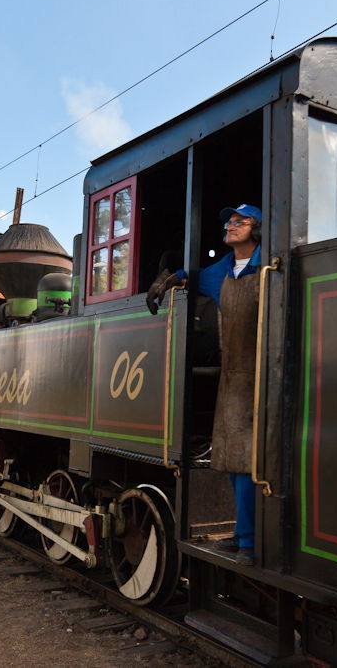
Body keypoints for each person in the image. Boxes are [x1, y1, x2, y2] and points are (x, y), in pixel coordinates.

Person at [148, 203, 263, 566]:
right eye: (228, 221)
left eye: (238, 221)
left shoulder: (269, 266)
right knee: (230, 459)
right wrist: (169, 278)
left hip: (262, 373)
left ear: (256, 228)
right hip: (232, 376)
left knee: (249, 462)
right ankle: (243, 535)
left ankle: (252, 540)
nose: (229, 226)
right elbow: (193, 275)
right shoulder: (223, 270)